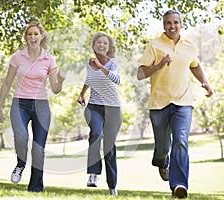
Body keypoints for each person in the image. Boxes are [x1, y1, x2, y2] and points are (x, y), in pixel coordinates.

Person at [137, 10, 213, 198]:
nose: (172, 26)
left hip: (183, 102)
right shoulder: (154, 45)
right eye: (169, 23)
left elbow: (194, 65)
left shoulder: (189, 46)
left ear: (181, 24)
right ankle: (162, 162)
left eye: (176, 22)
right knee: (162, 148)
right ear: (164, 25)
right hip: (159, 103)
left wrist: (205, 82)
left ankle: (179, 185)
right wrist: (159, 65)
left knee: (181, 140)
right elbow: (140, 73)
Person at [0, 21, 65, 192]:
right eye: (29, 34)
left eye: (36, 34)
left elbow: (55, 89)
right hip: (20, 102)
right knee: (21, 136)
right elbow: (6, 83)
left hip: (41, 105)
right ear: (26, 37)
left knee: (38, 149)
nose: (32, 37)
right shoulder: (17, 57)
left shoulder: (49, 59)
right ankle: (20, 164)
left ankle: (35, 188)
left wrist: (61, 80)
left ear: (42, 37)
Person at [77, 32, 122, 196]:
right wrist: (82, 93)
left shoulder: (113, 64)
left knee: (109, 148)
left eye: (105, 43)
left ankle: (112, 186)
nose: (101, 45)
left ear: (109, 47)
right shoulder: (89, 63)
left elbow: (117, 80)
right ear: (94, 46)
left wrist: (100, 66)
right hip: (94, 107)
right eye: (98, 43)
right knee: (96, 133)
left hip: (113, 109)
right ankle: (93, 174)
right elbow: (90, 79)